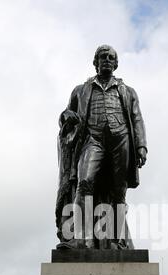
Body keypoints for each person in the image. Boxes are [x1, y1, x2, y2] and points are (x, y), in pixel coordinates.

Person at [55, 45, 147, 249]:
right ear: (95, 63)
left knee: (118, 191)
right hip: (92, 139)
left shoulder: (127, 91)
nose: (106, 59)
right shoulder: (81, 90)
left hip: (120, 139)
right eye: (102, 57)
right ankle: (81, 238)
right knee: (84, 181)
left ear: (115, 63)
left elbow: (136, 118)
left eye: (110, 57)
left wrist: (141, 146)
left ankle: (119, 241)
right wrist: (66, 117)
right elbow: (66, 115)